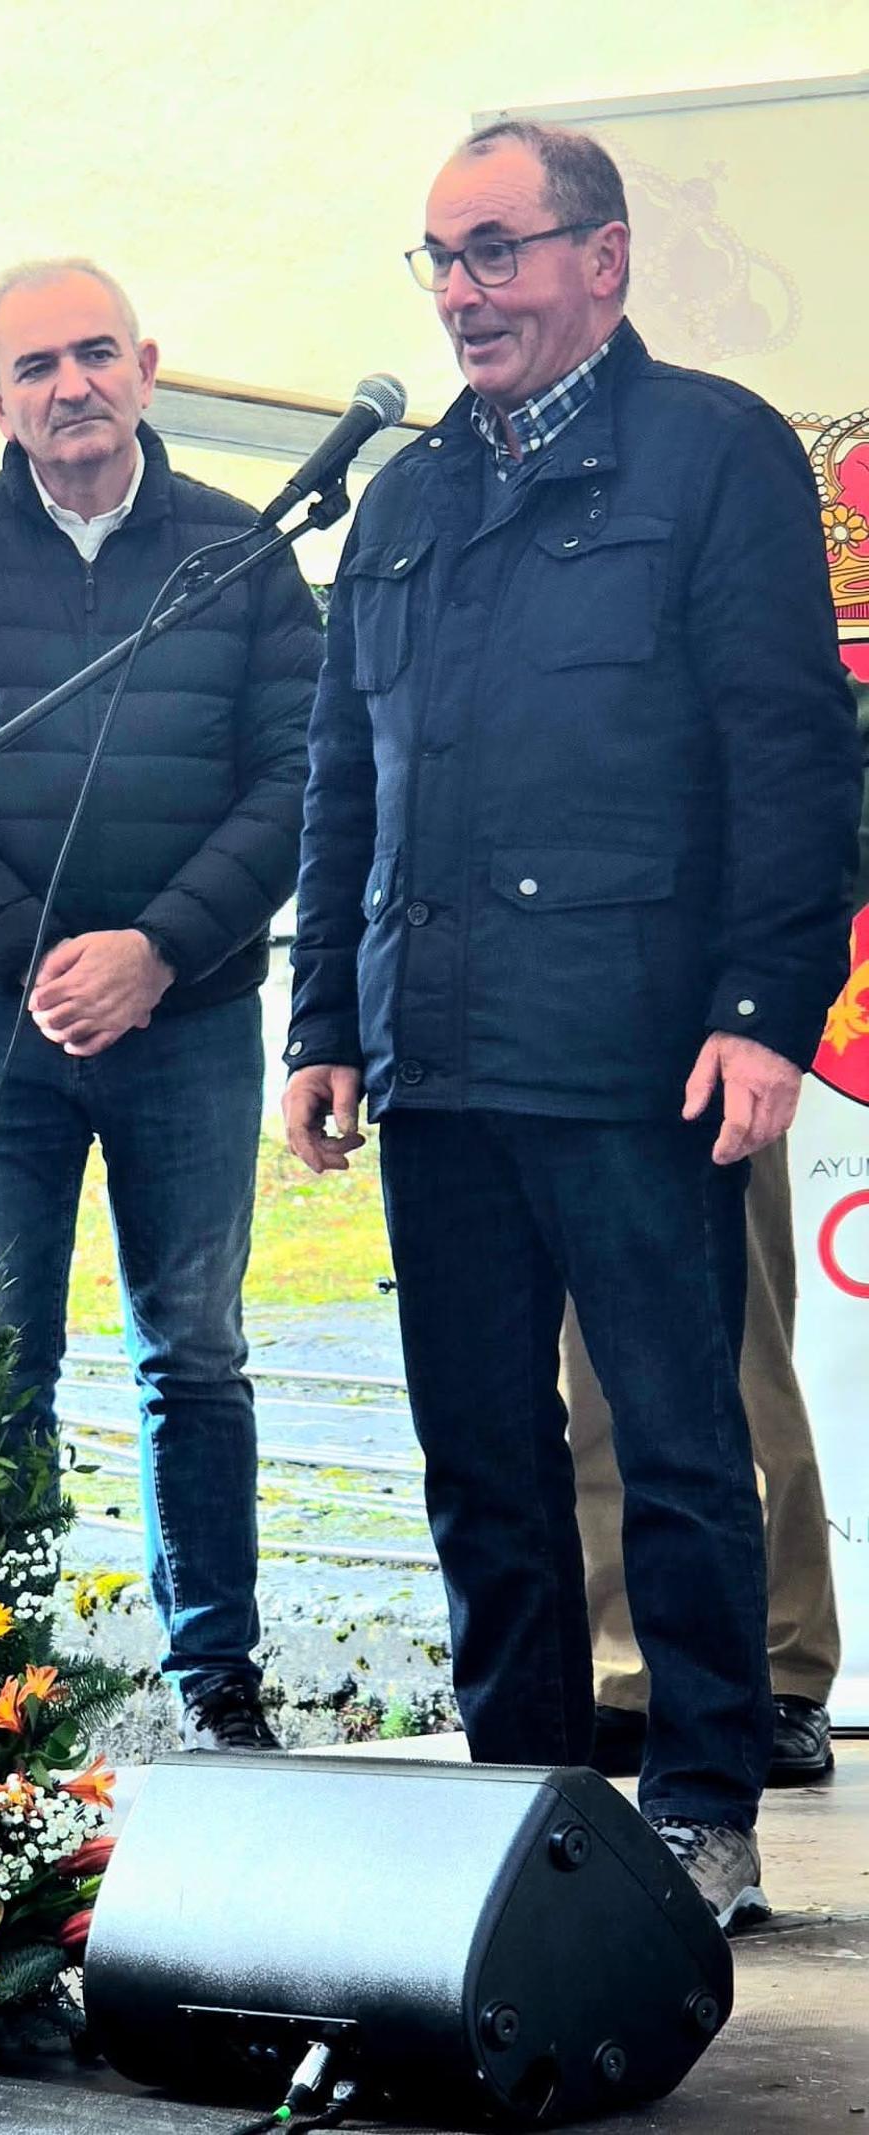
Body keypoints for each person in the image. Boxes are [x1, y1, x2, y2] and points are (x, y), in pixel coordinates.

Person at [283, 121, 861, 1930]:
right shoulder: (402, 499)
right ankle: (522, 1801)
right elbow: (340, 782)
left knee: (679, 1445)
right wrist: (321, 1019)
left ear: (601, 259)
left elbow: (796, 754)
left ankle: (702, 1805)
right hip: (434, 1053)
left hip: (632, 1048)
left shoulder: (714, 452)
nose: (463, 292)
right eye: (439, 260)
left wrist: (767, 1004)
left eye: (498, 251)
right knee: (479, 1452)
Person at [0, 259, 322, 1752]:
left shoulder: (245, 553)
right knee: (0, 1356)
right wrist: (20, 959)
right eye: (36, 365)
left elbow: (300, 774)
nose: (71, 385)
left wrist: (157, 950)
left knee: (193, 1347)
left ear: (148, 366)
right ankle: (11, 1670)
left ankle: (215, 1675)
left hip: (187, 1021)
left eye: (95, 354)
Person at [565, 1139, 840, 1787]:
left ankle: (783, 1665)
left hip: (706, 1059)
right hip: (552, 1066)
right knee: (589, 1389)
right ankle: (621, 1669)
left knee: (744, 1368)